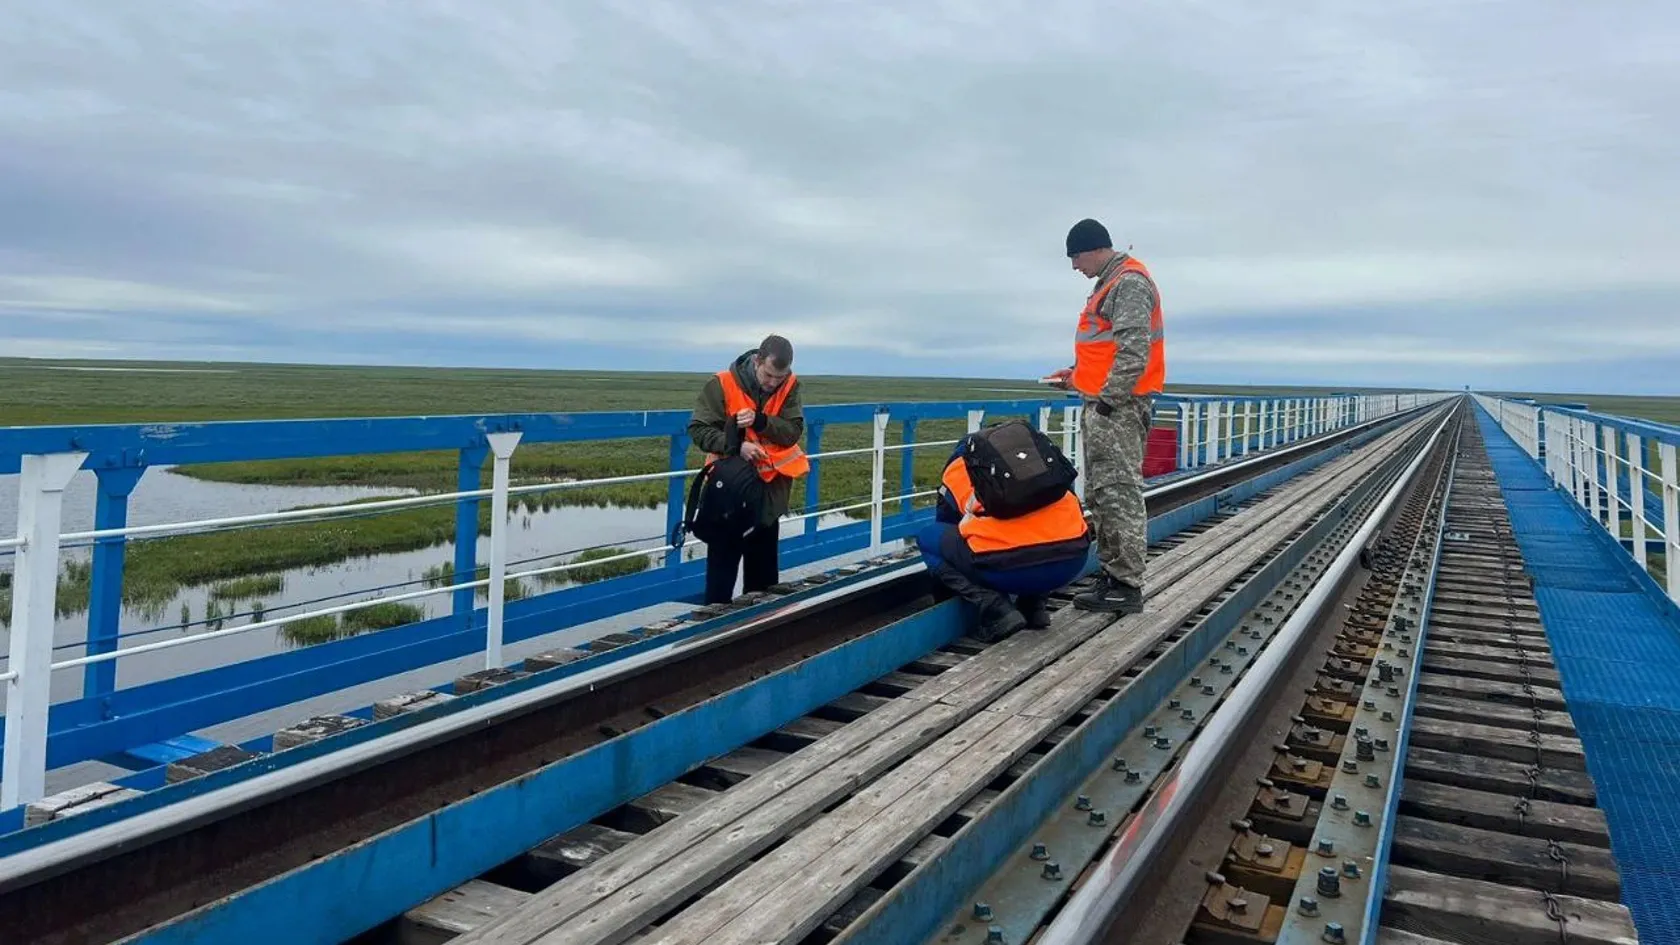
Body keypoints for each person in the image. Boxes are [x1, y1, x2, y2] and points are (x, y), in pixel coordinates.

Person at [1045, 218, 1166, 615]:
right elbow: (1107, 351)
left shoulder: (1128, 283)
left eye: (1076, 256)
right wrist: (1076, 377)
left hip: (1118, 408)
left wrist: (1108, 402)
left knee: (1118, 491)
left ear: (1095, 248)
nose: (1074, 266)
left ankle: (1126, 584)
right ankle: (1113, 578)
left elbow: (1134, 352)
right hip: (1105, 403)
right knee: (1102, 491)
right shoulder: (1111, 283)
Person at [915, 431, 1092, 642]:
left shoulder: (960, 465)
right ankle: (1034, 606)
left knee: (928, 538)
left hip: (1006, 569)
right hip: (1073, 559)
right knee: (1040, 529)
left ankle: (994, 607)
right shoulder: (1045, 462)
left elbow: (945, 522)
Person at [687, 335, 809, 604]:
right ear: (756, 361)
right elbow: (698, 429)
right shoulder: (722, 383)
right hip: (728, 494)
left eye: (780, 377)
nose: (772, 383)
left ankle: (760, 638)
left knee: (763, 586)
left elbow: (792, 432)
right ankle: (714, 637)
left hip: (768, 494)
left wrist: (762, 420)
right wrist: (736, 445)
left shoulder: (790, 386)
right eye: (768, 375)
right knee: (720, 580)